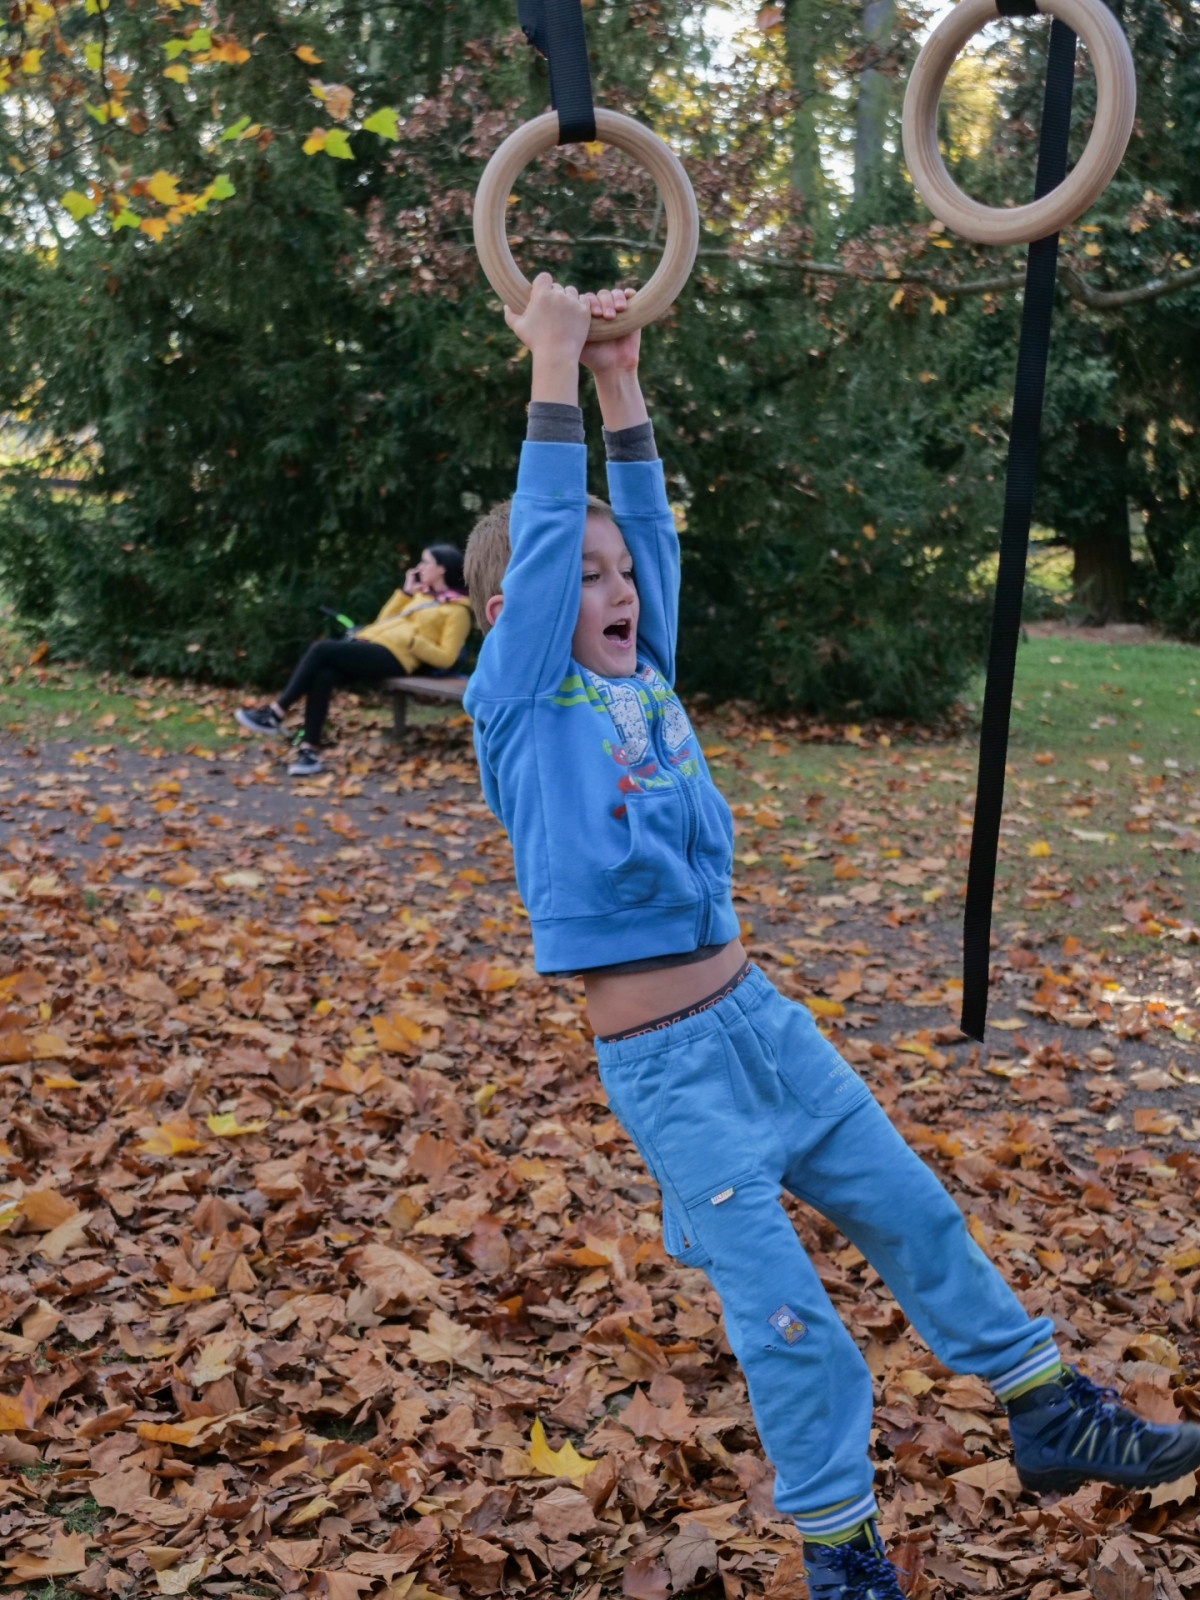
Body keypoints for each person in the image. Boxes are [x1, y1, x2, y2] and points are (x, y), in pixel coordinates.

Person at [462, 273, 1200, 1599]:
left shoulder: (643, 673)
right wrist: (553, 368)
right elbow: (550, 535)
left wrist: (622, 379)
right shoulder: (522, 707)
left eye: (620, 575)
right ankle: (842, 1554)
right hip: (672, 1078)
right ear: (511, 613)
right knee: (795, 1325)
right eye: (582, 575)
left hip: (765, 1027)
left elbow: (648, 535)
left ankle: (1045, 1406)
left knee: (917, 1212)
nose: (617, 586)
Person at [236, 544, 470, 776]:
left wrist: (413, 642)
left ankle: (276, 712)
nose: (419, 567)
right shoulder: (420, 595)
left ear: (442, 569)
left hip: (399, 658)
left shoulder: (457, 610)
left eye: (426, 562)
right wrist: (405, 593)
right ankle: (308, 752)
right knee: (323, 675)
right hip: (375, 646)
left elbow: (447, 658)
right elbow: (383, 621)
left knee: (321, 649)